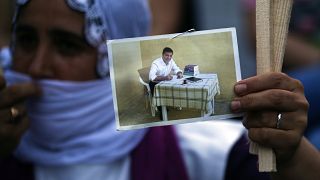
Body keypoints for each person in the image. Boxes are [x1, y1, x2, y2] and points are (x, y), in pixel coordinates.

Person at [0, 0, 313, 180]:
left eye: (67, 46)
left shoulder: (213, 154)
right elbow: (153, 80)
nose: (38, 66)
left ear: (111, 58)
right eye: (26, 40)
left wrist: (291, 154)